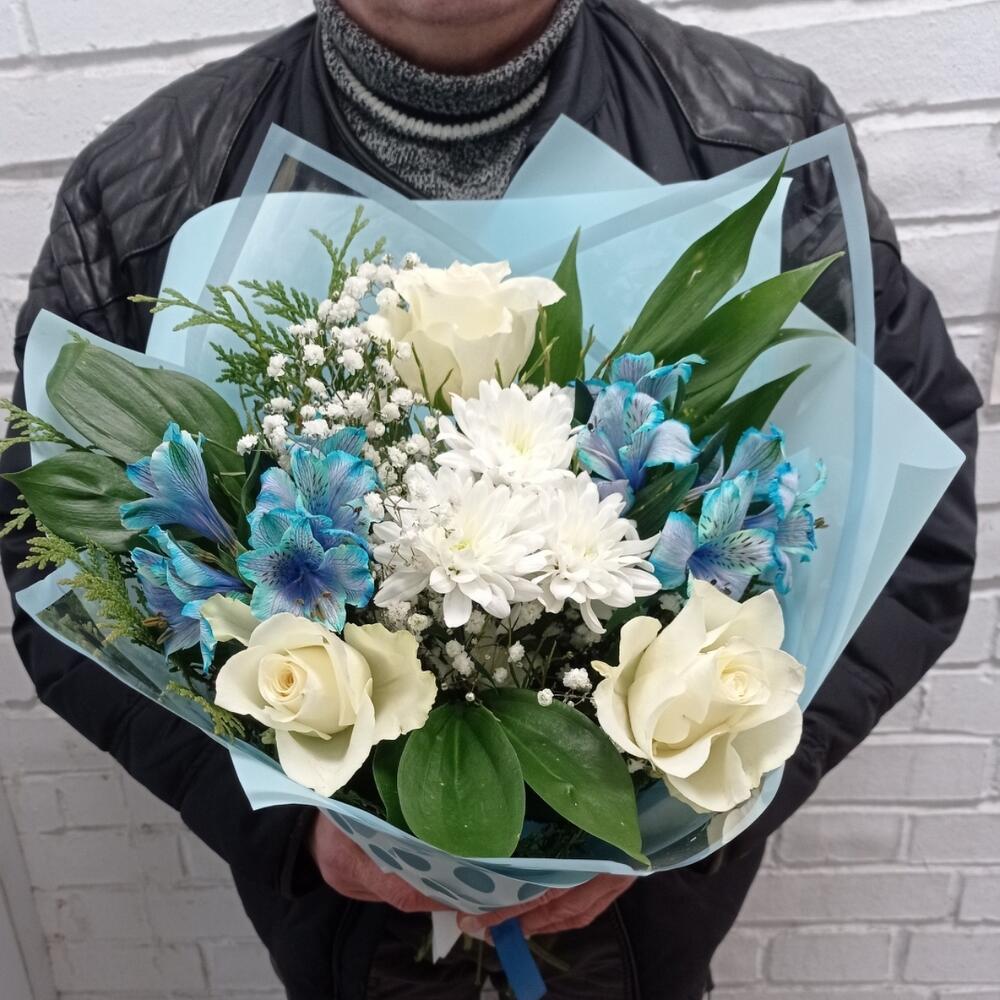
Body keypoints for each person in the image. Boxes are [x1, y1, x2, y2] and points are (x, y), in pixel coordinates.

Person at [0, 1, 981, 998]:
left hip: (642, 946)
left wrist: (701, 800)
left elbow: (912, 535)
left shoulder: (756, 137)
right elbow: (60, 574)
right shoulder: (150, 188)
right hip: (347, 947)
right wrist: (292, 828)